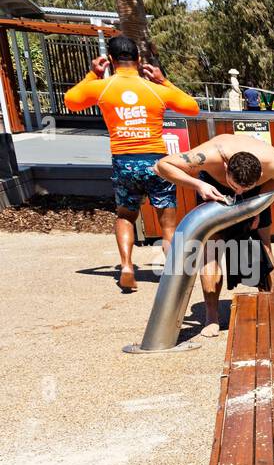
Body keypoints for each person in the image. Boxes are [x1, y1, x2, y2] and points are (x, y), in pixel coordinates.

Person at [63, 35, 200, 293]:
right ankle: (172, 276)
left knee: (125, 215)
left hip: (124, 161)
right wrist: (163, 80)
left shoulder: (103, 87)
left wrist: (93, 75)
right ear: (138, 60)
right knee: (168, 223)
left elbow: (71, 101)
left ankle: (126, 266)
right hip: (158, 163)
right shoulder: (155, 90)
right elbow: (192, 108)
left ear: (111, 61)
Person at [155, 133, 274, 337]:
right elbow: (162, 165)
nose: (240, 192)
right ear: (226, 168)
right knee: (211, 250)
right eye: (236, 187)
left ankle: (267, 304)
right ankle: (211, 316)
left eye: (245, 188)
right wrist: (199, 185)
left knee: (263, 243)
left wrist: (257, 210)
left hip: (257, 195)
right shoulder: (210, 155)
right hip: (214, 186)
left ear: (260, 173)